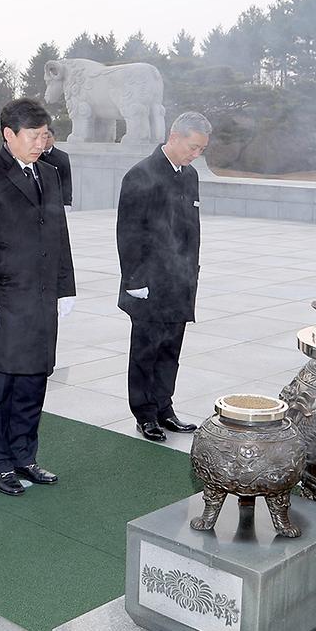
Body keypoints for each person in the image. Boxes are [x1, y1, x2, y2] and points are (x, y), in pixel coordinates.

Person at [0, 98, 76, 496]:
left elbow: (59, 234)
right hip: (4, 301)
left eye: (46, 135)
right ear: (9, 135)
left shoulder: (49, 173)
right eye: (34, 135)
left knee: (32, 383)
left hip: (41, 301)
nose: (41, 142)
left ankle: (24, 455)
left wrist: (66, 287)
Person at [116, 112, 212, 442]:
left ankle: (164, 407)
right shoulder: (141, 174)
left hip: (179, 280)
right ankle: (145, 413)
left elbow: (191, 232)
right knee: (146, 350)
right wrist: (135, 281)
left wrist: (192, 273)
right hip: (149, 282)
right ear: (174, 136)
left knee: (171, 348)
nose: (195, 154)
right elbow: (128, 233)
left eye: (201, 150)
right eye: (192, 146)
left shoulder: (190, 176)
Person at [40, 127, 73, 212]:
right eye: (43, 137)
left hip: (55, 201)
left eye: (48, 137)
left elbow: (67, 180)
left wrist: (67, 202)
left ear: (54, 138)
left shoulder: (62, 157)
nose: (46, 140)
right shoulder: (34, 155)